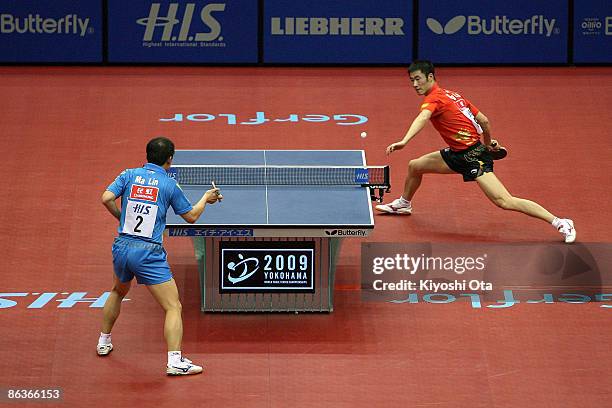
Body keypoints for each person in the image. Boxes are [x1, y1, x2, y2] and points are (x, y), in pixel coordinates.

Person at [376, 60, 576, 243]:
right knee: (415, 166)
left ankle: (560, 222)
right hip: (458, 152)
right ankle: (404, 203)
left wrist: (404, 140)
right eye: (412, 80)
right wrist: (488, 143)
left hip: (473, 158)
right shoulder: (453, 95)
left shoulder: (435, 98)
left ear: (430, 77)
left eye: (418, 79)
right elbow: (484, 120)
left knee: (504, 201)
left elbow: (422, 118)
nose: (414, 84)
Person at [97, 137, 223, 375]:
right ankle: (175, 361)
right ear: (170, 159)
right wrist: (207, 198)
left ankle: (103, 341)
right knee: (173, 306)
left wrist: (121, 218)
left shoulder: (128, 174)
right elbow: (191, 217)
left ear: (147, 155)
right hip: (148, 252)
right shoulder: (169, 184)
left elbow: (106, 198)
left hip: (122, 246)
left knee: (117, 291)